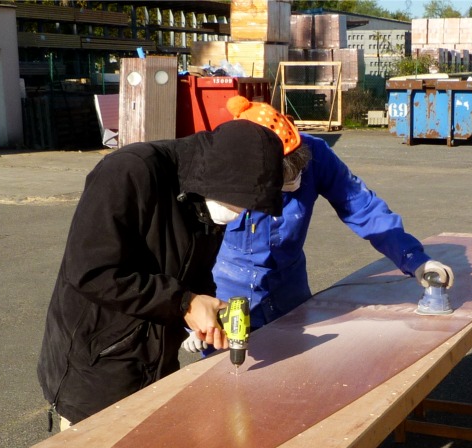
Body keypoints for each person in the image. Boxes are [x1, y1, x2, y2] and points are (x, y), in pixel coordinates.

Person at [38, 120, 285, 427]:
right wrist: (185, 303)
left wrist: (203, 310)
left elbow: (191, 272)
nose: (240, 213)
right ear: (217, 176)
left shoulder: (205, 198)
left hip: (155, 363)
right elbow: (90, 272)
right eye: (239, 203)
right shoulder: (129, 171)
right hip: (97, 370)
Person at [182, 96, 453, 352]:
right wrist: (191, 311)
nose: (296, 184)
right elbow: (186, 246)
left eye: (299, 175)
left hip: (289, 288)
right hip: (227, 291)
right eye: (285, 183)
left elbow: (363, 207)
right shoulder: (221, 170)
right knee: (228, 382)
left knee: (299, 372)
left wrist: (415, 259)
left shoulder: (317, 154)